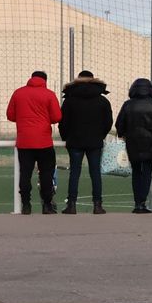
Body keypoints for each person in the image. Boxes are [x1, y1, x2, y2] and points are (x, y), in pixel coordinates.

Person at [6, 69, 62, 214]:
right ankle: (47, 205)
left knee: (25, 174)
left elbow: (10, 115)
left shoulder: (18, 93)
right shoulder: (49, 94)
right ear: (45, 80)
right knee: (46, 174)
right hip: (44, 141)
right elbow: (56, 117)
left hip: (24, 142)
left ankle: (26, 205)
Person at [58, 70, 113, 214]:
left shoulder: (69, 100)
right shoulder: (102, 100)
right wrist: (100, 135)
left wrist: (66, 137)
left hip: (75, 141)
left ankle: (71, 205)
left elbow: (63, 122)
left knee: (74, 173)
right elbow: (108, 122)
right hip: (95, 141)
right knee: (95, 173)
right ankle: (97, 205)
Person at [114, 78, 152, 213]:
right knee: (147, 173)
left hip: (133, 144)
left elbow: (119, 124)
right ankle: (142, 201)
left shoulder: (128, 105)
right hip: (151, 143)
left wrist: (123, 134)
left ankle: (137, 203)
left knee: (136, 172)